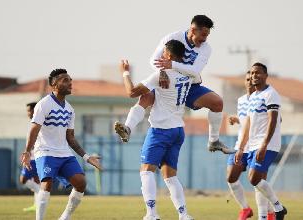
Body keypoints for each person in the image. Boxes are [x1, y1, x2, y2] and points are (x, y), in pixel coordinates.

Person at [115, 15, 232, 154]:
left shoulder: (206, 48)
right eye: (203, 35)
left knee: (217, 102)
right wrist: (163, 72)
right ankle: (127, 128)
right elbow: (154, 60)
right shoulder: (172, 37)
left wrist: (172, 65)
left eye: (207, 35)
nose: (205, 39)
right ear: (193, 30)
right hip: (166, 82)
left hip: (188, 85)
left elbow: (195, 71)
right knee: (145, 97)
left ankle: (214, 141)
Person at [117, 40, 194, 220]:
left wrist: (125, 72)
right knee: (170, 176)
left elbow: (131, 92)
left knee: (146, 171)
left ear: (168, 56)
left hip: (161, 130)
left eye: (163, 53)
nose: (160, 56)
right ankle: (184, 215)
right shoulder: (189, 74)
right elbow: (196, 77)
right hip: (178, 130)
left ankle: (151, 214)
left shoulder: (160, 76)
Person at [21, 69, 102, 220]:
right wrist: (27, 152)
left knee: (81, 183)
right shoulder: (43, 104)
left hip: (64, 153)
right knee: (46, 184)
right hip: (45, 151)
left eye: (70, 79)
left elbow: (70, 138)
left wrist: (86, 157)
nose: (70, 82)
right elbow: (33, 130)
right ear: (54, 85)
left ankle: (65, 217)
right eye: (65, 80)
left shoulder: (70, 109)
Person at [235, 63, 287, 220]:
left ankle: (278, 207)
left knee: (254, 178)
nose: (254, 75)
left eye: (257, 73)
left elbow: (273, 120)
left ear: (265, 75)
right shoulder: (253, 97)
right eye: (252, 73)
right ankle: (263, 217)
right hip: (252, 144)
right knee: (258, 183)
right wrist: (241, 147)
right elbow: (248, 124)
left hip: (267, 144)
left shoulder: (271, 94)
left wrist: (264, 144)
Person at [224, 71, 275, 220]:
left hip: (257, 145)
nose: (250, 82)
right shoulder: (241, 100)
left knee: (257, 182)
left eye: (252, 79)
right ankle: (245, 209)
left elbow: (271, 119)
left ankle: (269, 213)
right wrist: (237, 119)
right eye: (247, 79)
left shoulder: (265, 97)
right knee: (231, 177)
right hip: (241, 145)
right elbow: (248, 122)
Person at [20, 102, 40, 212]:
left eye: (29, 110)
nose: (28, 113)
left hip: (34, 158)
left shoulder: (38, 123)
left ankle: (41, 193)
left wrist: (28, 153)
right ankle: (36, 205)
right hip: (33, 157)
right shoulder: (33, 123)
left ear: (34, 111)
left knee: (23, 179)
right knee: (36, 181)